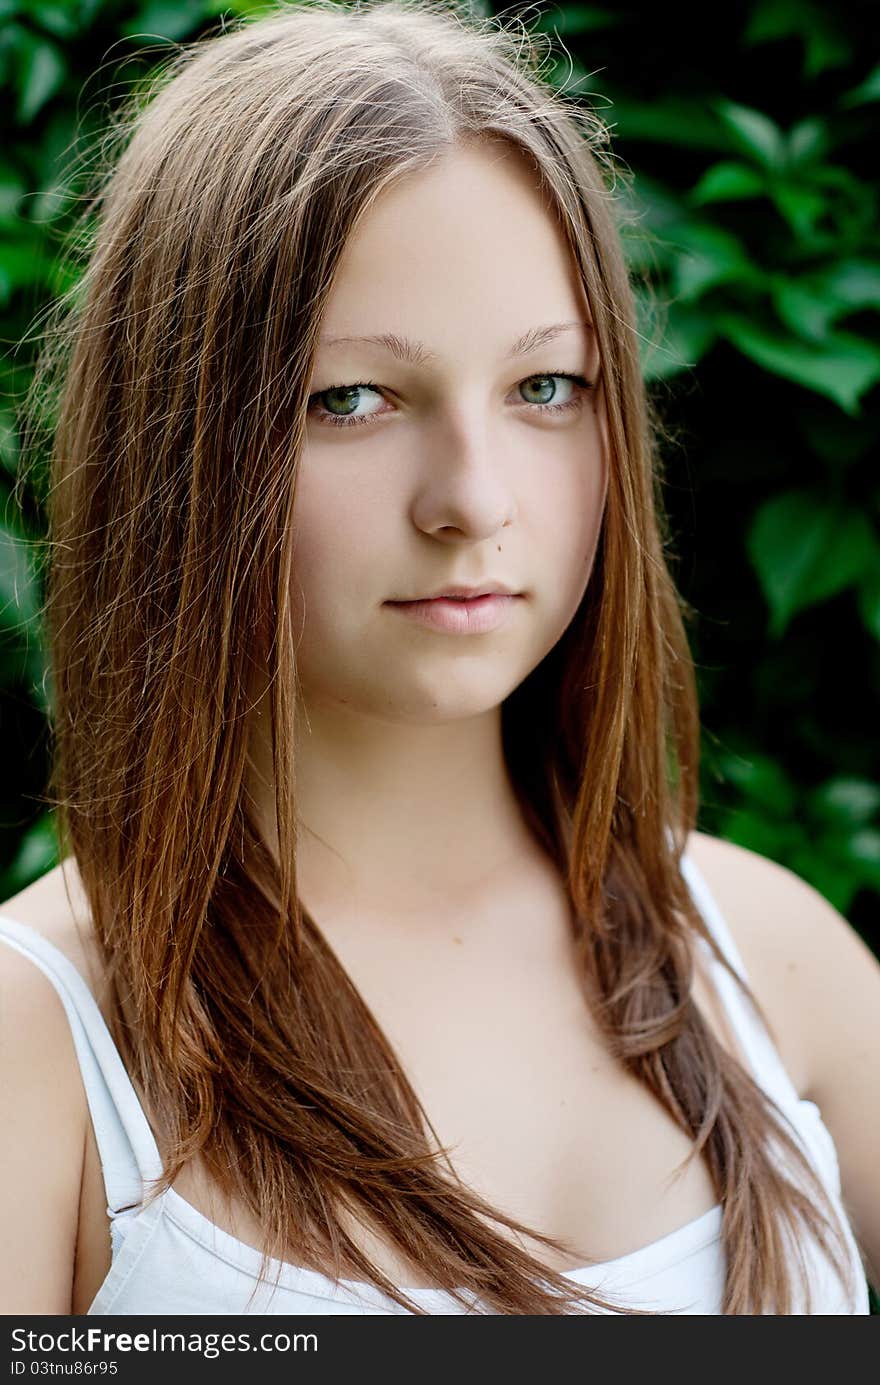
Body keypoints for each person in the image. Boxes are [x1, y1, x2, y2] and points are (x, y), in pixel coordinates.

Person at [0, 0, 876, 1317]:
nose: (474, 498)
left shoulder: (775, 964)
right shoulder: (47, 1048)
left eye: (545, 389)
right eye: (352, 398)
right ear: (184, 442)